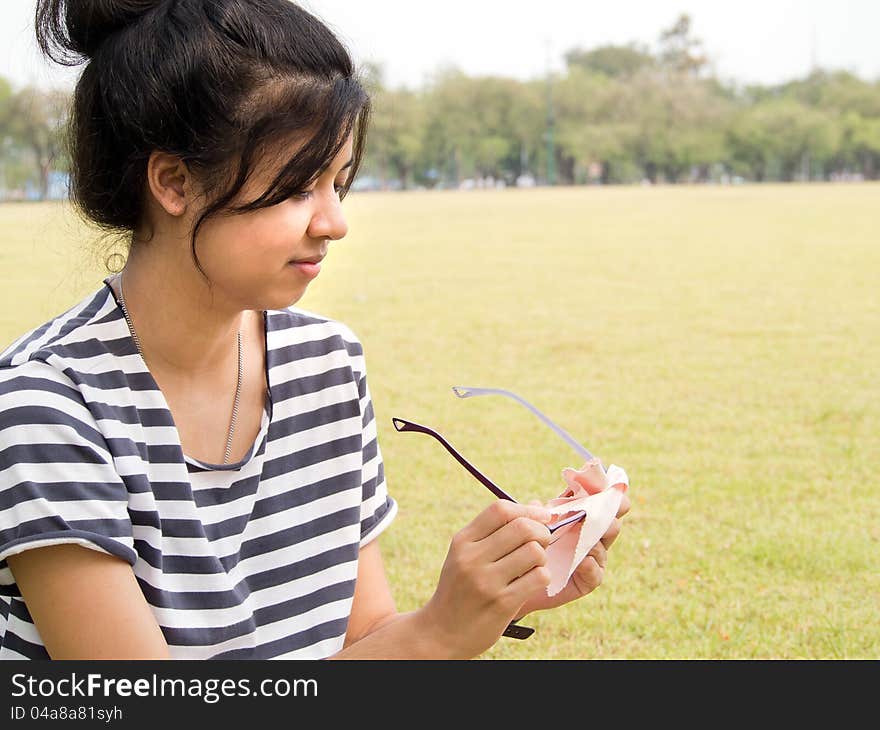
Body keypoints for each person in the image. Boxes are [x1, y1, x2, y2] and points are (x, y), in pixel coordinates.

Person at [0, 0, 629, 660]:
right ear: (174, 181)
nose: (334, 222)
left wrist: (498, 596)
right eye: (300, 186)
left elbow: (365, 642)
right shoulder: (47, 408)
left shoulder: (323, 361)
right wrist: (439, 633)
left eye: (340, 182)